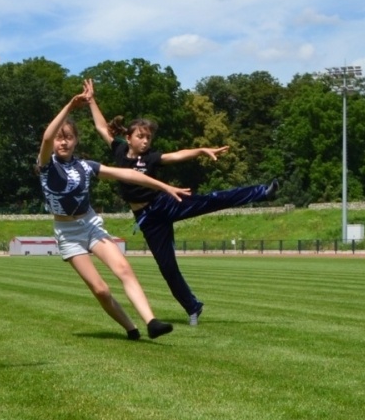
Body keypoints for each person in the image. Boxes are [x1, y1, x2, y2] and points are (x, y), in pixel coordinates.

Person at [86, 88, 277, 325]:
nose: (145, 141)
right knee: (167, 267)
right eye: (141, 137)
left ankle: (261, 192)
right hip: (148, 218)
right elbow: (101, 127)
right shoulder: (118, 149)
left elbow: (177, 156)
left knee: (211, 200)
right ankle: (193, 307)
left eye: (148, 138)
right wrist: (92, 100)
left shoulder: (152, 158)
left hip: (166, 202)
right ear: (130, 137)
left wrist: (201, 150)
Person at [38, 82, 190, 340]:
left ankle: (152, 322)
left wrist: (164, 186)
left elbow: (129, 174)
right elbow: (46, 137)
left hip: (89, 224)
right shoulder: (46, 165)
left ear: (76, 141)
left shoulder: (86, 166)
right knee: (101, 290)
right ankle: (131, 328)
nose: (63, 142)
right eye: (60, 138)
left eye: (69, 137)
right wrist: (70, 107)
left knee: (124, 269)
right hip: (67, 232)